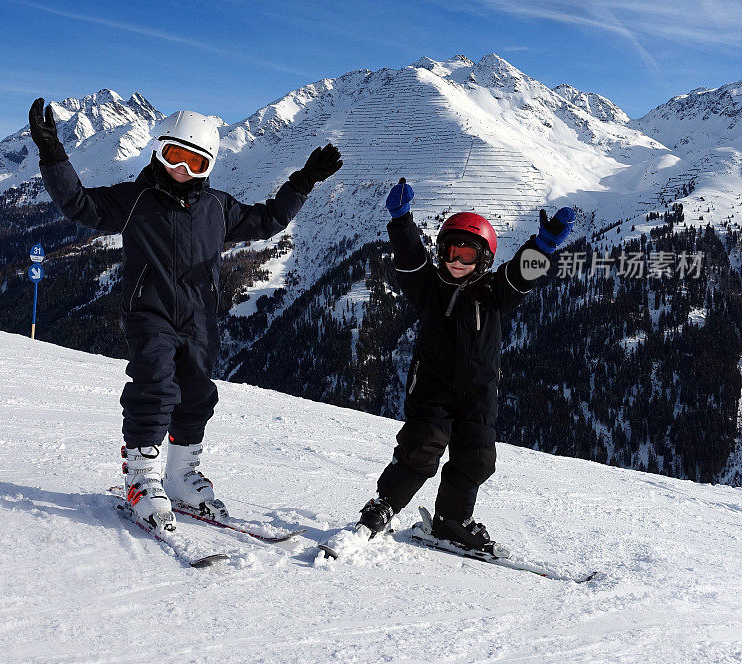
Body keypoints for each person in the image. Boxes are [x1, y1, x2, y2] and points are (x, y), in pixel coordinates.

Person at [28, 98, 342, 532]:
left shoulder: (217, 206)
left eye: (194, 162)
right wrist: (53, 155)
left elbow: (268, 219)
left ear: (207, 165)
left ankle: (180, 474)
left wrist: (303, 181)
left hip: (200, 317)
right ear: (158, 151)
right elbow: (80, 205)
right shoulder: (135, 199)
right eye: (174, 156)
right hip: (149, 311)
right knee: (155, 385)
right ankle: (142, 476)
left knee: (196, 391)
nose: (182, 169)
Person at [357, 178, 574, 551]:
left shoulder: (494, 292)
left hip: (477, 397)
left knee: (477, 459)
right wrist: (401, 221)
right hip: (432, 392)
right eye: (450, 252)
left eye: (467, 256)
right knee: (421, 449)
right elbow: (410, 259)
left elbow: (522, 273)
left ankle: (451, 521)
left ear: (484, 259)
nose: (456, 262)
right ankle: (384, 504)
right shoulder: (428, 288)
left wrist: (543, 246)